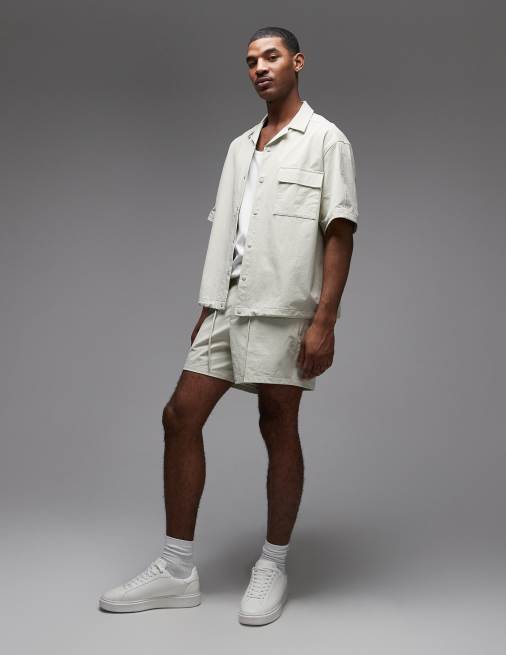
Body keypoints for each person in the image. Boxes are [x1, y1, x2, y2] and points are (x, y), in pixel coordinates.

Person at [99, 26, 358, 626]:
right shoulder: (240, 147)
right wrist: (208, 303)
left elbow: (339, 231)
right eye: (250, 62)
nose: (259, 68)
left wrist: (325, 319)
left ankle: (274, 562)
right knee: (179, 416)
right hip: (227, 305)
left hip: (284, 309)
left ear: (297, 62)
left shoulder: (326, 140)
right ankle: (176, 569)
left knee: (278, 422)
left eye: (271, 57)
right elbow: (230, 234)